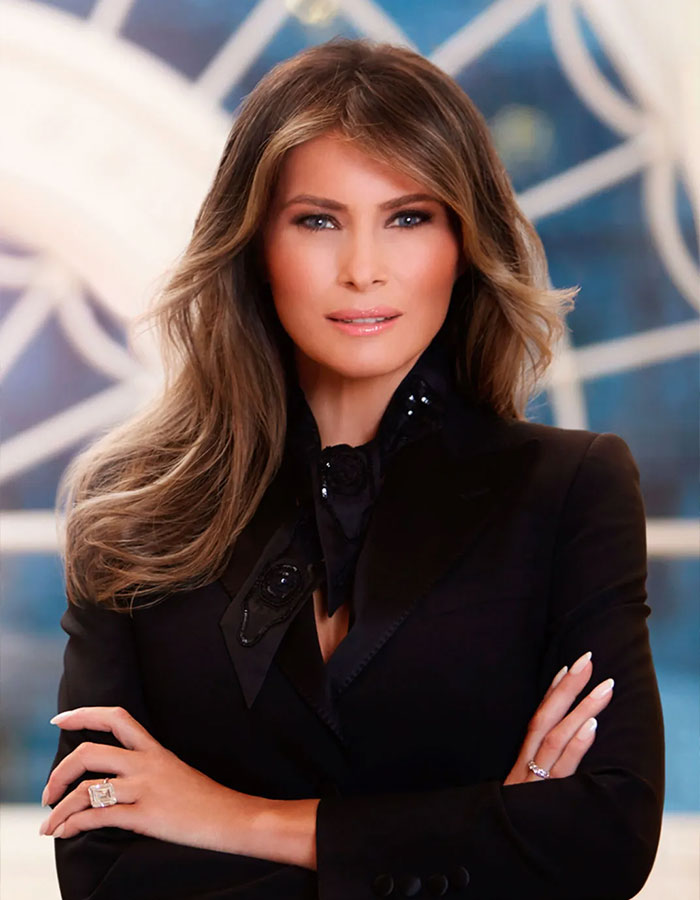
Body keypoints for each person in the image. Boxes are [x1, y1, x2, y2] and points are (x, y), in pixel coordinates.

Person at [41, 37, 664, 900]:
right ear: (256, 243)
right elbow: (105, 871)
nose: (364, 269)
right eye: (318, 220)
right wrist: (482, 831)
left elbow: (602, 839)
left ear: (463, 241)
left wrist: (227, 817)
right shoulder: (131, 514)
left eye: (409, 217)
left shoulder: (571, 490)